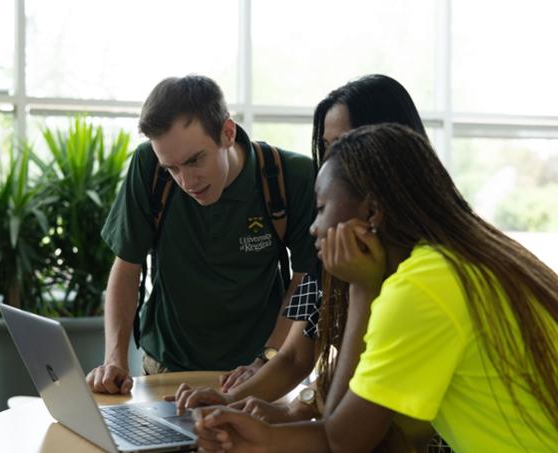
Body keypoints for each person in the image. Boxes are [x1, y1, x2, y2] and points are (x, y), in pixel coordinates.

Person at [193, 123, 558, 452]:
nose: (313, 226)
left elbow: (344, 439)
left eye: (323, 207)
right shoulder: (457, 261)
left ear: (373, 211)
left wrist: (362, 289)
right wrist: (266, 433)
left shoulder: (421, 286)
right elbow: (403, 427)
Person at [171, 76, 431, 431]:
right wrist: (231, 403)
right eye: (327, 146)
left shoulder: (425, 266)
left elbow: (348, 432)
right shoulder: (338, 235)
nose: (330, 161)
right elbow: (296, 356)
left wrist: (296, 417)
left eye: (344, 144)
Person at [86, 75, 315, 393]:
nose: (187, 181)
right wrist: (114, 359)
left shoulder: (291, 176)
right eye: (173, 168)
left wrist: (270, 357)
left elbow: (308, 279)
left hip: (259, 371)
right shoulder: (148, 167)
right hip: (164, 368)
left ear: (227, 133)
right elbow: (126, 266)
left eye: (195, 160)